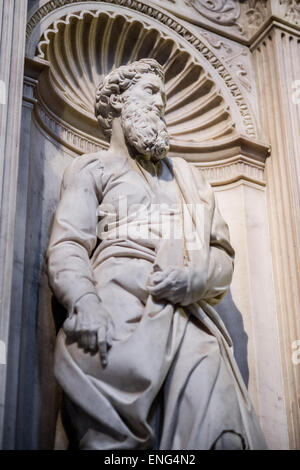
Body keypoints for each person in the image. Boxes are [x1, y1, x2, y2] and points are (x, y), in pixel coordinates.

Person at [47, 58, 267, 450]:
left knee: (223, 429)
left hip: (186, 315)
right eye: (151, 92)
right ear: (117, 101)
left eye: (164, 96)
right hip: (114, 300)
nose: (161, 103)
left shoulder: (188, 179)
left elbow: (220, 255)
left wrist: (194, 280)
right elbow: (68, 244)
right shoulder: (91, 169)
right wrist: (84, 300)